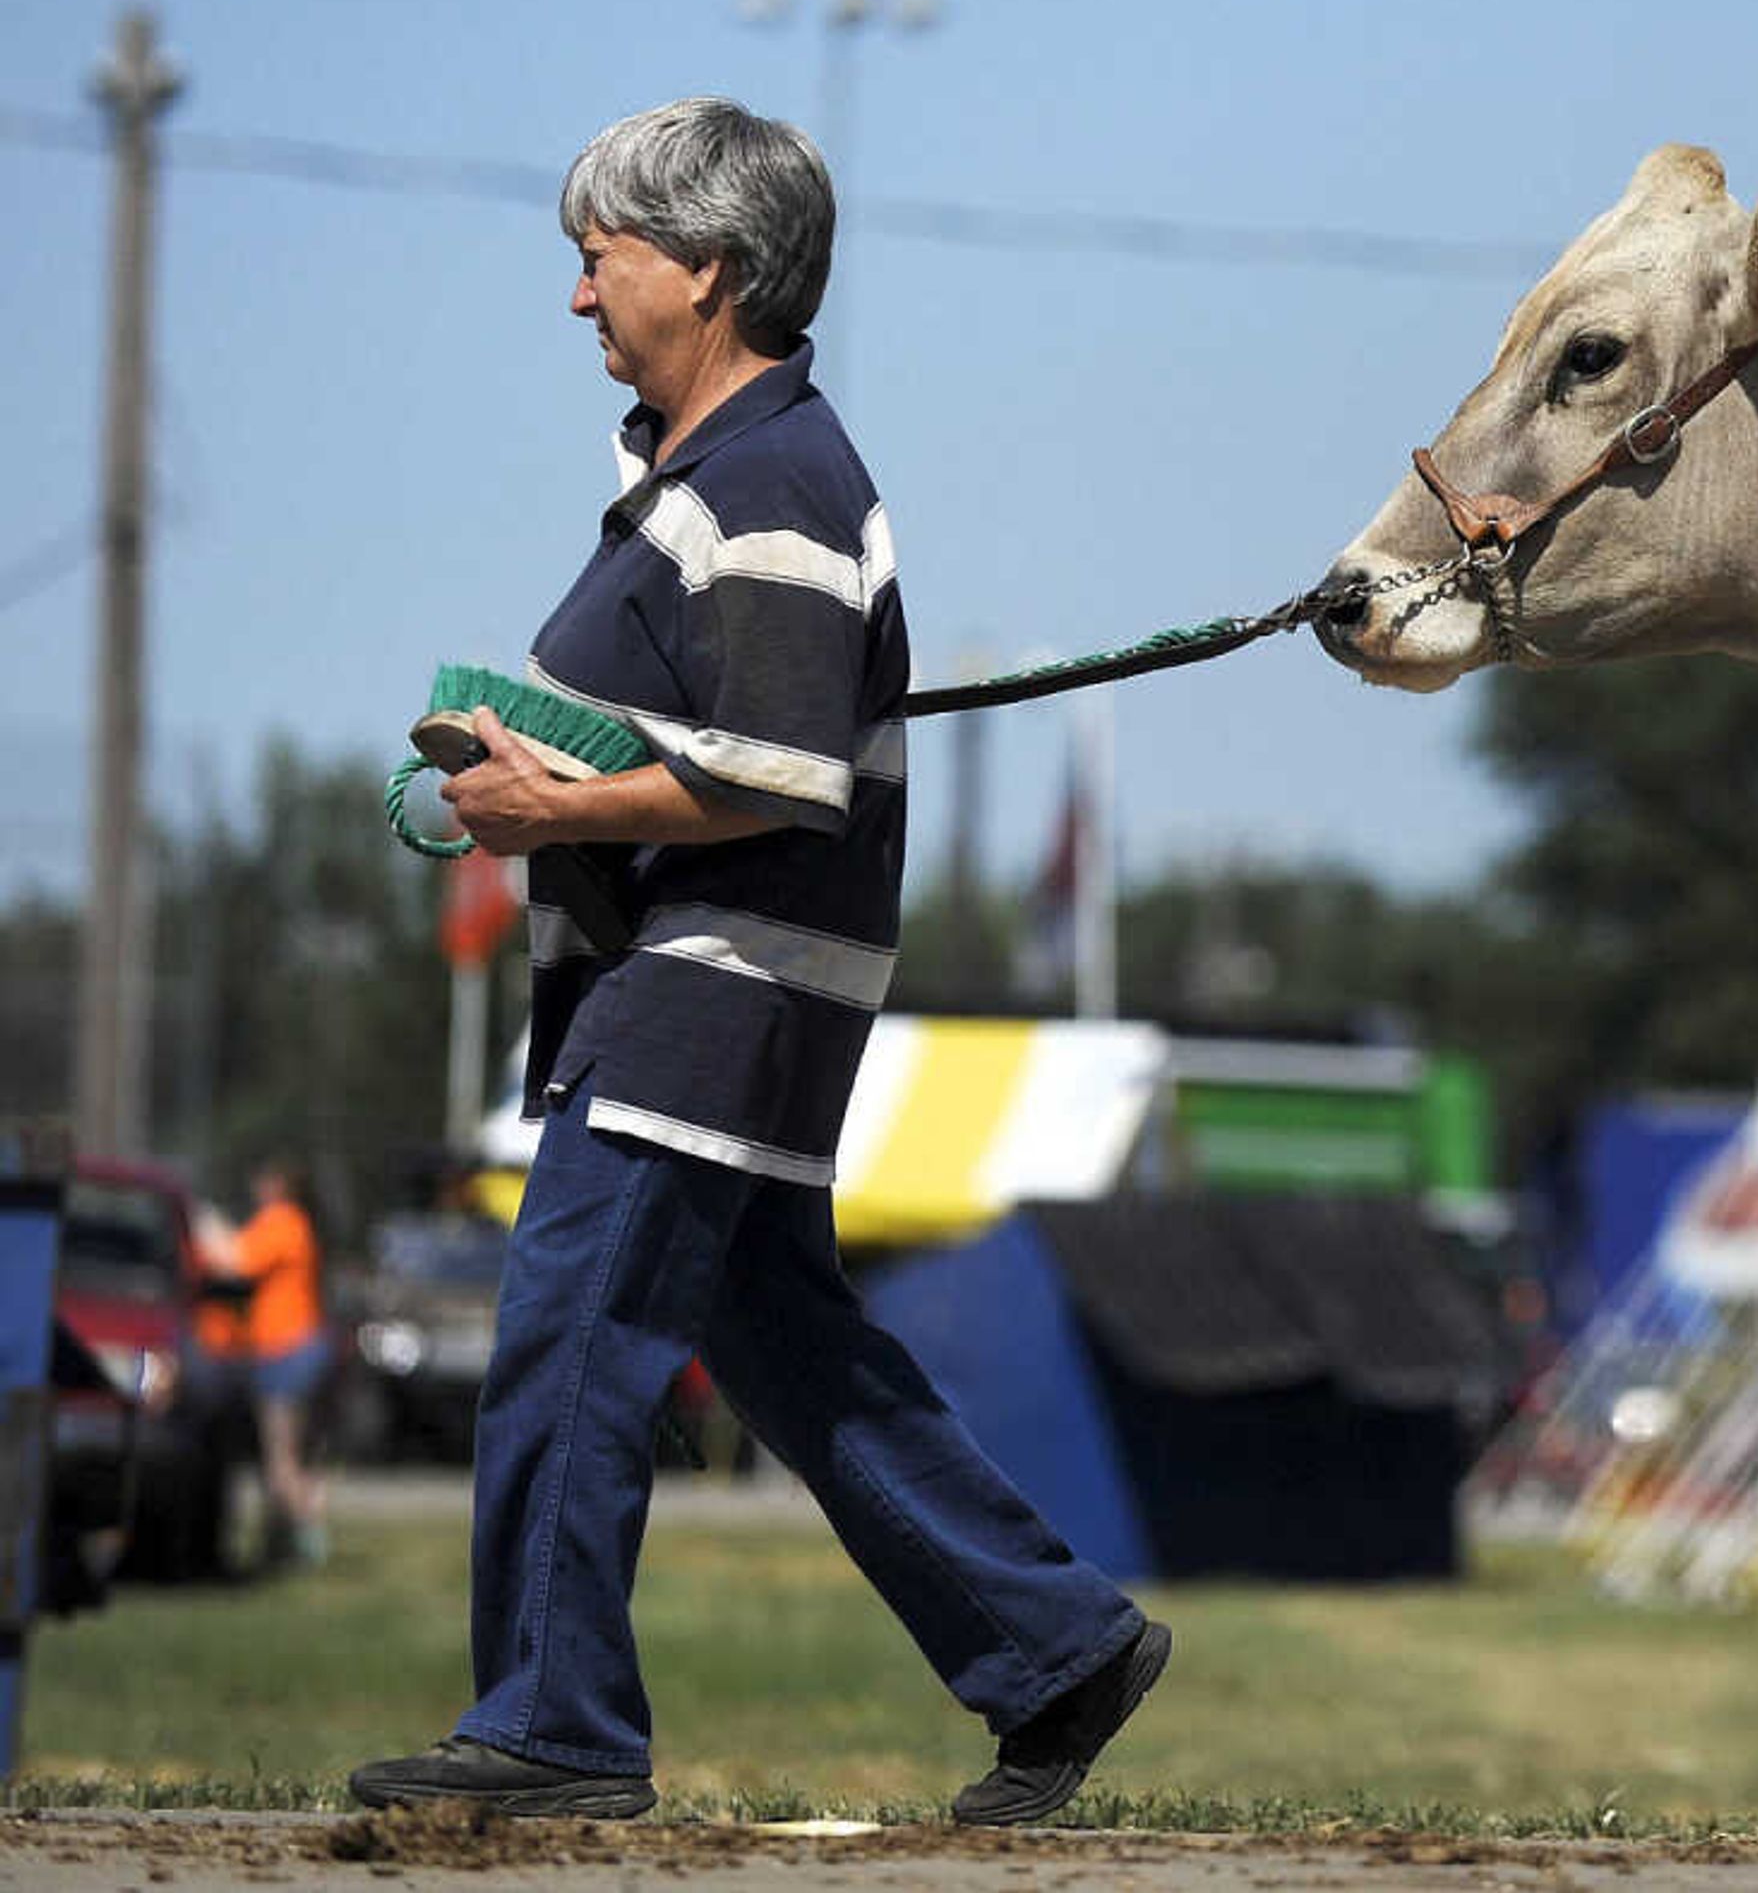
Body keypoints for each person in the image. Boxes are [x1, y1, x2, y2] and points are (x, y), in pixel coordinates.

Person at [350, 99, 1169, 1824]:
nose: (579, 299)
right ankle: (1054, 1647)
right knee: (792, 1352)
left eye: (600, 257)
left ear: (707, 269)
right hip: (718, 986)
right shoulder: (718, 472)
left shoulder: (774, 475)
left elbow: (781, 767)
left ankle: (558, 1721)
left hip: (702, 997)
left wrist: (534, 804)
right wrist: (543, 766)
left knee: (570, 1337)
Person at [200, 1157, 332, 1561]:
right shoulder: (291, 1223)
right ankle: (281, 1543)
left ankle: (310, 1535)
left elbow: (235, 1259)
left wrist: (204, 1223)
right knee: (293, 1454)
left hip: (286, 1350)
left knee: (280, 1460)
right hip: (299, 1348)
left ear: (279, 1186)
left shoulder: (282, 1221)